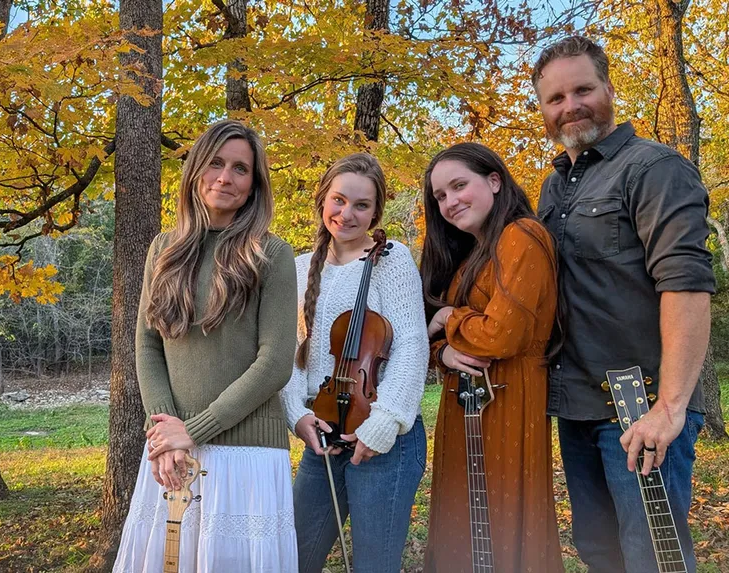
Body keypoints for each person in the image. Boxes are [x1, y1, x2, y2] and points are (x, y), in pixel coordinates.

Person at [532, 35, 715, 573]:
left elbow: (685, 282)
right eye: (556, 98)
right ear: (543, 109)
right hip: (577, 404)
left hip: (641, 404)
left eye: (583, 89)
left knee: (653, 557)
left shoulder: (654, 168)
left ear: (609, 88)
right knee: (600, 554)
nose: (571, 106)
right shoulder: (553, 188)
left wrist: (671, 406)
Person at [113, 120, 299, 573]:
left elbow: (274, 364)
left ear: (254, 184)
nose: (225, 177)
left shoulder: (271, 254)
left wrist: (192, 430)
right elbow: (148, 345)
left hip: (247, 456)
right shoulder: (164, 248)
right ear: (195, 170)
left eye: (240, 169)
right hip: (172, 452)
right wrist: (165, 437)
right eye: (215, 163)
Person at [279, 153, 428, 573]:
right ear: (322, 199)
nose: (347, 214)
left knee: (373, 565)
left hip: (386, 440)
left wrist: (384, 422)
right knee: (294, 558)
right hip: (323, 432)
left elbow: (412, 344)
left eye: (362, 205)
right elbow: (288, 356)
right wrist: (297, 416)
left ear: (376, 212)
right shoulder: (297, 269)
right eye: (339, 200)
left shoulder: (391, 258)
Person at [421, 142, 564, 572]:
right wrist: (445, 351)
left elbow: (502, 335)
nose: (449, 202)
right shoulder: (472, 255)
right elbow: (441, 342)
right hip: (464, 404)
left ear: (495, 181)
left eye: (459, 185)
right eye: (440, 196)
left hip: (509, 400)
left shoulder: (522, 236)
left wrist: (448, 319)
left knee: (504, 525)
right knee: (460, 521)